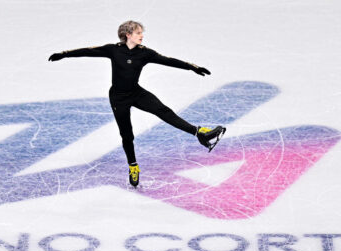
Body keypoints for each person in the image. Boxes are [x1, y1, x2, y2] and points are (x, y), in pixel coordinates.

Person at [48, 20, 225, 187]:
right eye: (138, 33)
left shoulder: (144, 53)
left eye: (141, 32)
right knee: (127, 135)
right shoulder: (113, 50)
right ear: (128, 35)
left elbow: (167, 60)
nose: (142, 35)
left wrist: (192, 67)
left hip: (136, 93)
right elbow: (88, 51)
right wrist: (64, 54)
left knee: (163, 110)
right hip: (118, 98)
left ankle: (199, 133)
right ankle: (133, 165)